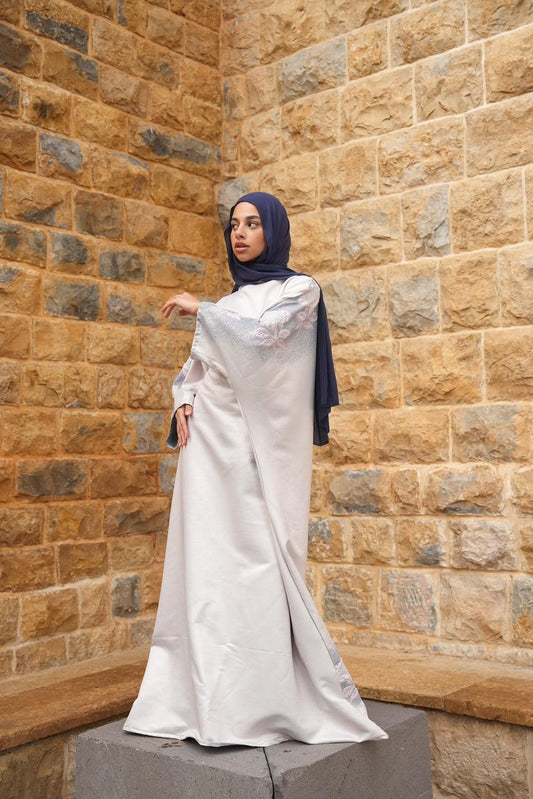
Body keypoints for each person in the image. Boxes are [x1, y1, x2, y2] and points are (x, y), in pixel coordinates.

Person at [123, 192, 387, 747]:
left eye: (252, 223)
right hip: (208, 450)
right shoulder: (230, 301)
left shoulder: (299, 291)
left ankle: (258, 700)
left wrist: (203, 310)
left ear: (274, 230)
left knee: (258, 560)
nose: (239, 233)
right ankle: (201, 699)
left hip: (254, 454)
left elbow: (264, 342)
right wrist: (183, 398)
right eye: (234, 225)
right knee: (208, 563)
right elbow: (196, 370)